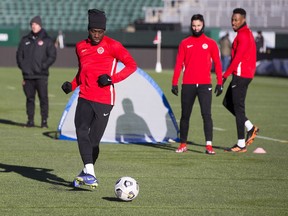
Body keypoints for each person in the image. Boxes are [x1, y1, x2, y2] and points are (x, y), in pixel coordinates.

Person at [61, 9, 137, 188]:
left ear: (104, 31)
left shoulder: (114, 45)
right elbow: (82, 72)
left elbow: (132, 65)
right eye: (93, 31)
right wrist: (72, 85)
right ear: (88, 30)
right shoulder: (80, 47)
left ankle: (86, 172)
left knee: (94, 141)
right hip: (85, 96)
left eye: (100, 32)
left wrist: (112, 79)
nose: (96, 35)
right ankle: (91, 174)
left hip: (104, 100)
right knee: (81, 131)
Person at [171, 14, 223, 155]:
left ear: (203, 25)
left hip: (205, 84)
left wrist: (220, 82)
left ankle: (209, 146)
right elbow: (178, 64)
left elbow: (218, 63)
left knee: (206, 115)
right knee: (185, 115)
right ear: (191, 25)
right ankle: (183, 144)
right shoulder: (184, 43)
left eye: (198, 25)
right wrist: (174, 82)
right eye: (194, 25)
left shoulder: (211, 43)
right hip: (188, 84)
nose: (196, 28)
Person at [222, 8, 259, 153]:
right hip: (242, 75)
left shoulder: (243, 35)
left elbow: (237, 58)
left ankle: (241, 144)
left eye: (236, 20)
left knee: (238, 108)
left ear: (243, 20)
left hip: (241, 75)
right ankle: (250, 127)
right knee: (227, 103)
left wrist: (225, 76)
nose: (233, 22)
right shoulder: (244, 33)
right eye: (232, 19)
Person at [16, 16, 57, 128]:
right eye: (32, 24)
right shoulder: (25, 40)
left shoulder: (47, 40)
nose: (34, 26)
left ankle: (44, 121)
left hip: (41, 76)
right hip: (28, 76)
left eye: (36, 24)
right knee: (30, 99)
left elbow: (52, 56)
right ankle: (30, 120)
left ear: (40, 25)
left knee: (43, 98)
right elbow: (19, 56)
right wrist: (24, 68)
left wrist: (43, 66)